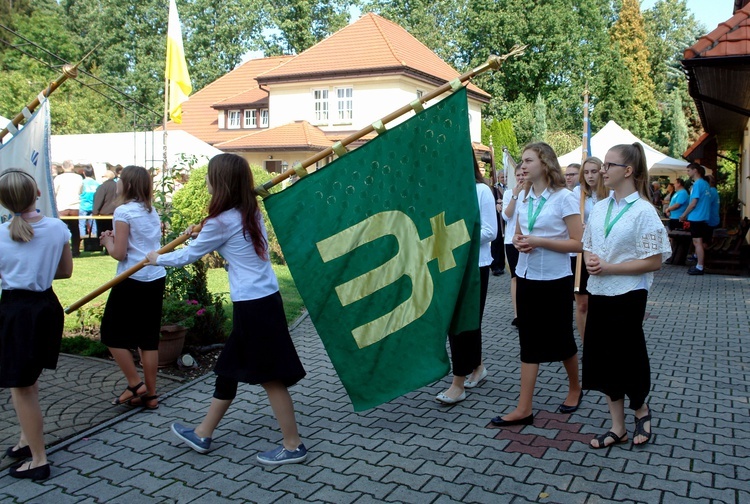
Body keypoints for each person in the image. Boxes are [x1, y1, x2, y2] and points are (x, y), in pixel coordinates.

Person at [146, 153, 308, 465]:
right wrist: (201, 229)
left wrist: (156, 259)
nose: (205, 179)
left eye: (209, 175)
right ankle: (203, 433)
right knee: (228, 368)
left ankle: (293, 444)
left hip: (255, 306)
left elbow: (188, 256)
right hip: (263, 300)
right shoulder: (247, 210)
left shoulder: (223, 221)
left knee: (270, 377)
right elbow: (218, 235)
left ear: (219, 182)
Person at [582, 143, 671, 448]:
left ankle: (640, 409)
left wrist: (609, 266)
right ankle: (617, 426)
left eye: (609, 165)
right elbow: (589, 243)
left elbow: (655, 260)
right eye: (603, 165)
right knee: (604, 357)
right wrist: (592, 259)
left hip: (629, 294)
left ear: (628, 171)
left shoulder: (644, 211)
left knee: (628, 356)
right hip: (600, 290)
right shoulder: (601, 207)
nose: (602, 171)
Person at [491, 143, 583, 427]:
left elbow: (579, 243)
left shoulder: (564, 198)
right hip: (527, 276)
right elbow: (519, 233)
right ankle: (524, 408)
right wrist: (520, 241)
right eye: (522, 161)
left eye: (528, 160)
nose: (523, 166)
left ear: (545, 163)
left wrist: (540, 242)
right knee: (528, 341)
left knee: (561, 339)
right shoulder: (524, 197)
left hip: (555, 280)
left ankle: (575, 388)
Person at [0, 169, 73, 480]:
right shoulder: (57, 229)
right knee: (28, 381)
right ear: (37, 194)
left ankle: (39, 458)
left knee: (22, 386)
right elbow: (66, 272)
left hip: (17, 310)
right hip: (46, 308)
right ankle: (26, 439)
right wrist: (38, 270)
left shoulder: (1, 234)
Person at [99, 166, 165, 410]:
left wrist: (107, 241)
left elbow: (120, 253)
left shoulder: (123, 211)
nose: (117, 183)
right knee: (148, 339)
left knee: (110, 334)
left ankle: (136, 385)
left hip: (132, 277)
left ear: (126, 185)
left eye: (120, 180)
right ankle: (151, 396)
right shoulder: (151, 210)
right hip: (155, 276)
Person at [436, 156, 497, 404]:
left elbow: (490, 231)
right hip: (450, 267)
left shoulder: (481, 190)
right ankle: (478, 367)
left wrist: (455, 240)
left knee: (463, 324)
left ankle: (457, 383)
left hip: (475, 267)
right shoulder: (444, 192)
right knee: (463, 322)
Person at [571, 157, 607, 342]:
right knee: (582, 303)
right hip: (581, 251)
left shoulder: (609, 194)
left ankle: (601, 340)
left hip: (603, 250)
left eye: (593, 171)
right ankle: (587, 344)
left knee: (600, 302)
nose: (590, 175)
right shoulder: (577, 193)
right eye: (586, 172)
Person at [501, 162, 525, 327]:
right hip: (511, 240)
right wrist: (515, 196)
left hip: (528, 240)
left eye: (523, 175)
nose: (521, 178)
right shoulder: (509, 193)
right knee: (515, 277)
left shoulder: (534, 192)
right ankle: (517, 313)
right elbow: (506, 216)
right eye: (518, 175)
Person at [679, 163, 711, 275]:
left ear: (695, 170)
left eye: (688, 170)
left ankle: (700, 266)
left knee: (697, 242)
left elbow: (693, 203)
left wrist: (684, 214)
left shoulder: (697, 184)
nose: (687, 173)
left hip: (696, 217)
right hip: (704, 217)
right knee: (699, 242)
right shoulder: (705, 184)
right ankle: (700, 264)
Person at [53, 160, 82, 257]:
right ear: (72, 166)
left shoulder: (58, 178)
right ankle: (76, 250)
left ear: (62, 167)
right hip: (74, 206)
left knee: (60, 230)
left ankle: (61, 251)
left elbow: (54, 191)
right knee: (75, 229)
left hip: (62, 206)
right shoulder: (78, 178)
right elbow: (80, 190)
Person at [93, 170, 118, 238]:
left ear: (107, 177)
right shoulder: (118, 186)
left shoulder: (102, 187)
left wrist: (95, 213)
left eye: (102, 176)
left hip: (103, 216)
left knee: (103, 236)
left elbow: (98, 200)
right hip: (117, 215)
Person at [490, 169, 506, 276]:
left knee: (503, 243)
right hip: (497, 218)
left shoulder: (510, 188)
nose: (504, 179)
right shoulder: (494, 189)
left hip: (506, 218)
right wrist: (497, 202)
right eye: (502, 177)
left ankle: (502, 265)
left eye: (505, 177)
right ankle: (495, 265)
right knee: (497, 241)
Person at [79, 165, 100, 239]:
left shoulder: (82, 182)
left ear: (84, 173)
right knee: (93, 224)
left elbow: (79, 193)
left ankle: (82, 239)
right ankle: (94, 239)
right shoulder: (97, 183)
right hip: (93, 206)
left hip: (83, 205)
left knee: (81, 224)